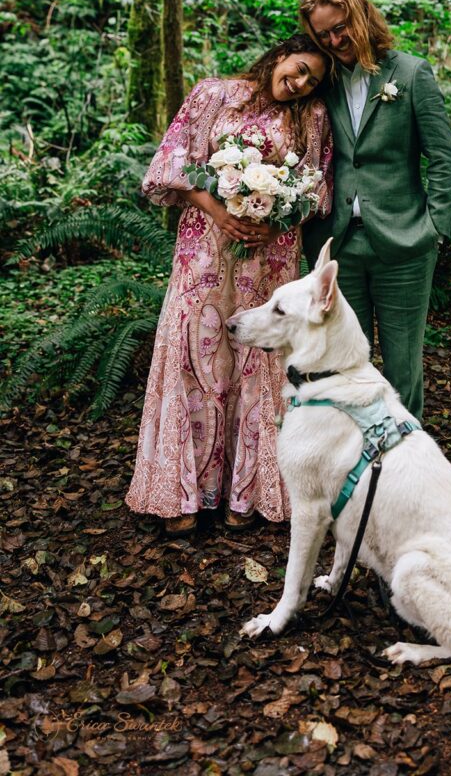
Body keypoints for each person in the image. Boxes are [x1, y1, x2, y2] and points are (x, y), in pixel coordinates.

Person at [125, 34, 333, 534]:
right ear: (280, 55)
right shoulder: (213, 94)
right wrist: (221, 209)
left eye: (311, 80)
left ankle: (249, 494)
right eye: (299, 68)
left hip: (271, 256)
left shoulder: (312, 118)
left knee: (258, 359)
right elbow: (172, 164)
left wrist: (279, 218)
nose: (300, 82)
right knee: (197, 353)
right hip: (206, 248)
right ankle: (181, 497)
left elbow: (318, 185)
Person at [299, 0, 451, 422]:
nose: (334, 40)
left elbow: (443, 157)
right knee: (340, 365)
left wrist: (434, 230)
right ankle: (352, 469)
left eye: (340, 27)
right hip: (336, 248)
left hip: (404, 245)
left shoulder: (409, 73)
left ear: (360, 14)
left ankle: (403, 472)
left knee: (402, 368)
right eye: (323, 34)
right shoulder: (321, 80)